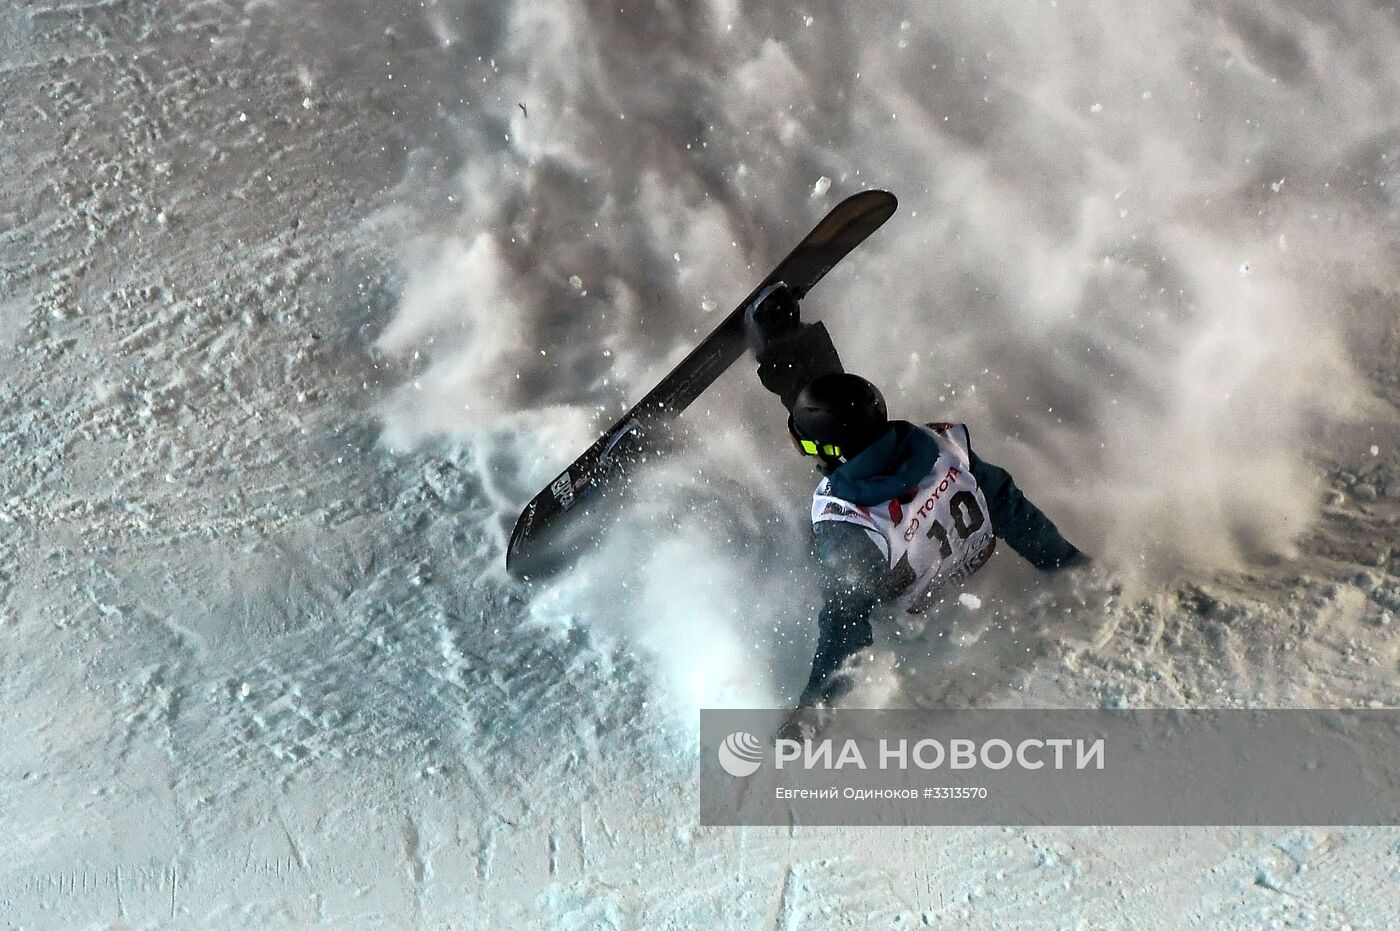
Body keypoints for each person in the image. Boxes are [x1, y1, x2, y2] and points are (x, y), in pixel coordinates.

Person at [744, 283, 1088, 713]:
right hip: (952, 562)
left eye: (809, 447)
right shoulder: (948, 451)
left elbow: (843, 632)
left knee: (769, 527)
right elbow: (1008, 506)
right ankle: (786, 340)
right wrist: (1068, 564)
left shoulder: (846, 534)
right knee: (835, 409)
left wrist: (812, 710)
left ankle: (658, 446)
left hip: (905, 595)